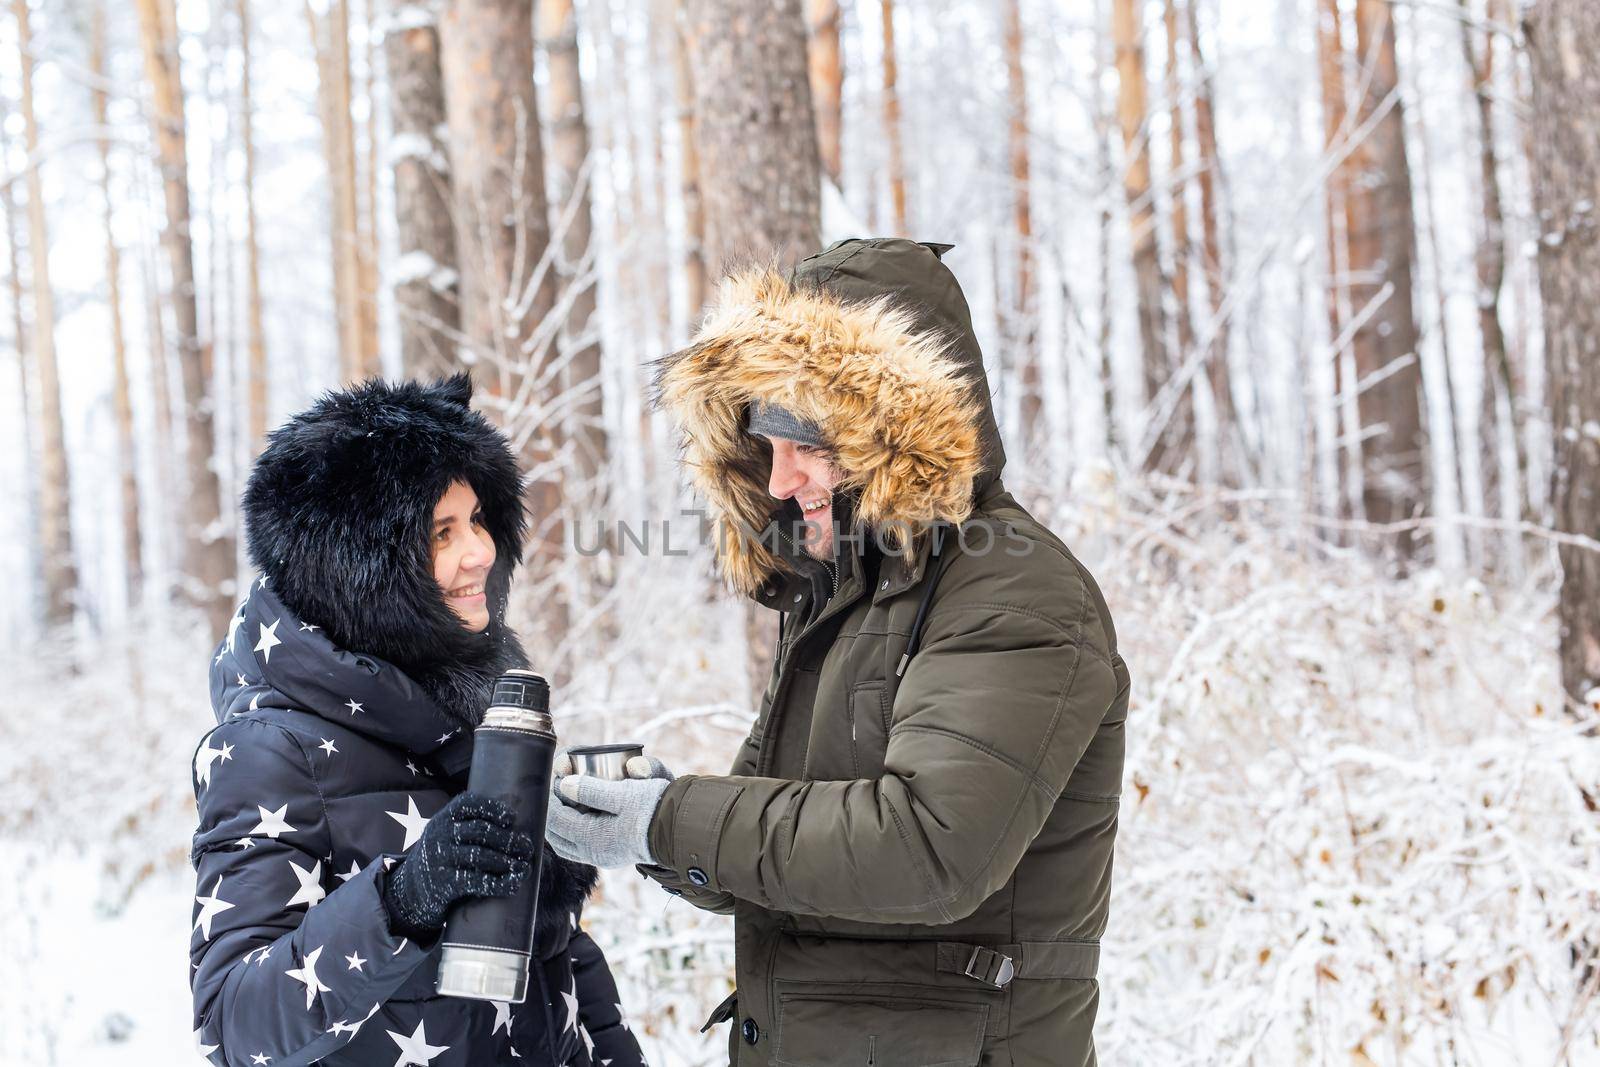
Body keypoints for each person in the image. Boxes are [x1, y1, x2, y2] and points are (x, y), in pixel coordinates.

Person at [545, 238, 1131, 1066]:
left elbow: (927, 850)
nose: (781, 480)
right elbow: (772, 841)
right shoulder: (838, 599)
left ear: (896, 426)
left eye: (806, 442)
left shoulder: (1014, 592)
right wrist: (645, 826)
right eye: (766, 443)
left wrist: (673, 821)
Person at [188, 375, 645, 1067]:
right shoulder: (271, 748)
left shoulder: (467, 697)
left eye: (479, 519)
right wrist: (403, 899)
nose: (481, 551)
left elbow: (553, 955)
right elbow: (233, 1020)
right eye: (442, 532)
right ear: (358, 567)